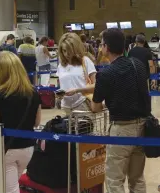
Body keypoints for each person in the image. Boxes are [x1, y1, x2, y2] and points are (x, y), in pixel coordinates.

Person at [91, 28, 150, 193]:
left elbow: (96, 107)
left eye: (102, 44)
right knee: (137, 178)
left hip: (121, 129)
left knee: (114, 180)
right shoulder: (137, 65)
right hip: (143, 127)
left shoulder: (106, 73)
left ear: (106, 47)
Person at [0, 51, 41, 193]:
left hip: (5, 149)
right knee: (11, 186)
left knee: (9, 189)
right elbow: (37, 122)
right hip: (27, 147)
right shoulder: (33, 93)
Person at [56, 33, 96, 114]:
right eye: (64, 51)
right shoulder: (61, 66)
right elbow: (62, 86)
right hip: (65, 107)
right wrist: (59, 95)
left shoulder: (85, 61)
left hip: (83, 104)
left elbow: (96, 85)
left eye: (69, 50)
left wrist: (77, 90)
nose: (67, 54)